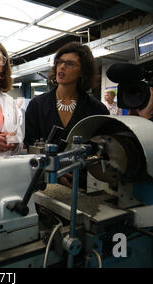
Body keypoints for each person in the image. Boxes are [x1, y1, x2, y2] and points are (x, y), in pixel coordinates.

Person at [24, 42, 109, 188]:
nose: (62, 67)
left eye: (70, 64)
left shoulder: (96, 109)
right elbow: (30, 144)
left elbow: (99, 151)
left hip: (81, 183)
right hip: (44, 180)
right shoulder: (37, 105)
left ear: (82, 72)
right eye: (60, 62)